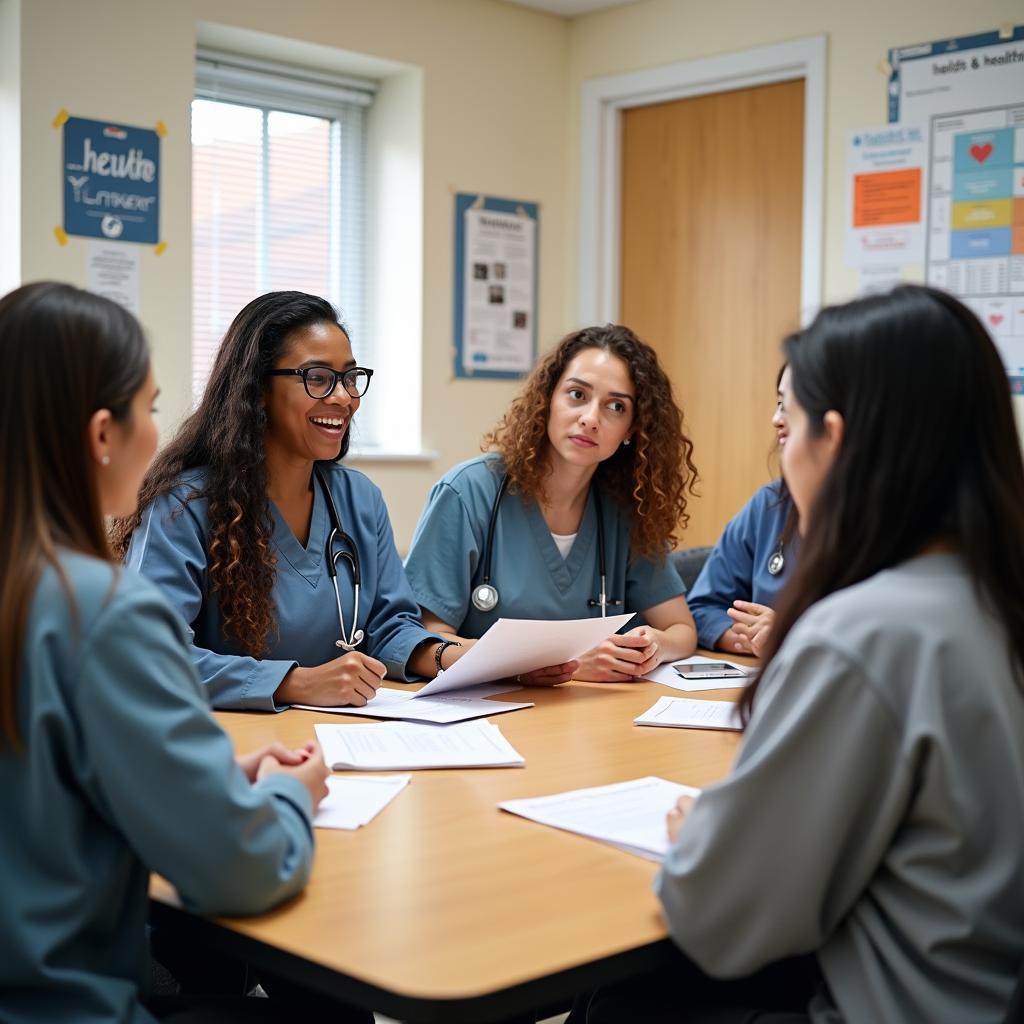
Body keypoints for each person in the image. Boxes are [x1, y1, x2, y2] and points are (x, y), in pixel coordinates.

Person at [580, 285, 1024, 1022]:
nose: (782, 447)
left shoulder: (865, 634)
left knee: (616, 1001)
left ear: (836, 441)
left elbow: (721, 918)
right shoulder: (991, 599)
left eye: (794, 428)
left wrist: (703, 841)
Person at [0, 282, 332, 1023]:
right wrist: (286, 797)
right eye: (148, 408)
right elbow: (241, 873)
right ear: (100, 435)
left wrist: (200, 776)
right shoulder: (102, 611)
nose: (160, 433)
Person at [113, 291, 458, 712]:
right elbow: (149, 655)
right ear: (258, 389)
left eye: (350, 378)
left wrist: (456, 658)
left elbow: (390, 627)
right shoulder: (183, 505)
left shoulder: (359, 499)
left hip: (346, 740)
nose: (343, 398)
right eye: (317, 378)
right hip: (233, 746)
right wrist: (294, 682)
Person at [405, 323, 699, 683]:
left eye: (616, 406)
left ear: (632, 430)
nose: (590, 418)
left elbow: (681, 629)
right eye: (577, 395)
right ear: (547, 399)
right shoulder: (468, 493)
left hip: (592, 722)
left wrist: (655, 644)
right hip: (486, 716)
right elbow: (427, 638)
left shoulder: (626, 510)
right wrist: (550, 664)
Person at [687, 365, 799, 656]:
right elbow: (702, 608)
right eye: (778, 403)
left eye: (791, 405)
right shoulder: (771, 505)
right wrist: (756, 640)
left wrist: (792, 636)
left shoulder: (887, 521)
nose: (776, 420)